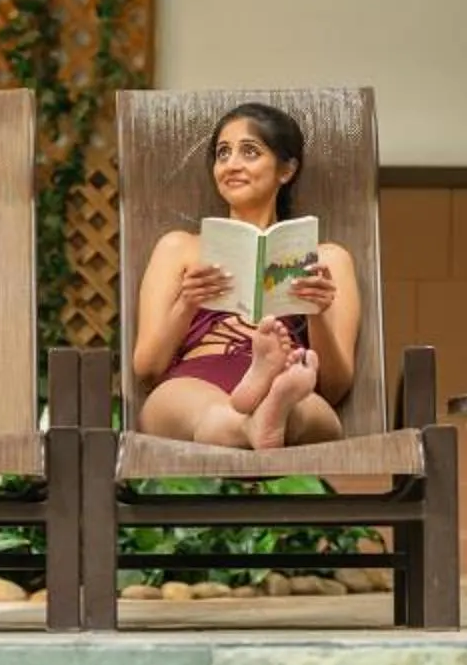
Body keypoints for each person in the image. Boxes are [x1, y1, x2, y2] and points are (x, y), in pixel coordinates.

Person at [129, 103, 360, 452]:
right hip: (196, 377)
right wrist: (188, 303)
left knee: (312, 413)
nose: (231, 164)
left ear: (287, 169)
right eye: (223, 153)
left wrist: (317, 313)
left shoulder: (328, 259)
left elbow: (335, 387)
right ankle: (263, 414)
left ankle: (269, 402)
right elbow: (147, 369)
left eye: (249, 152)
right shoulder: (179, 248)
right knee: (210, 413)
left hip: (288, 378)